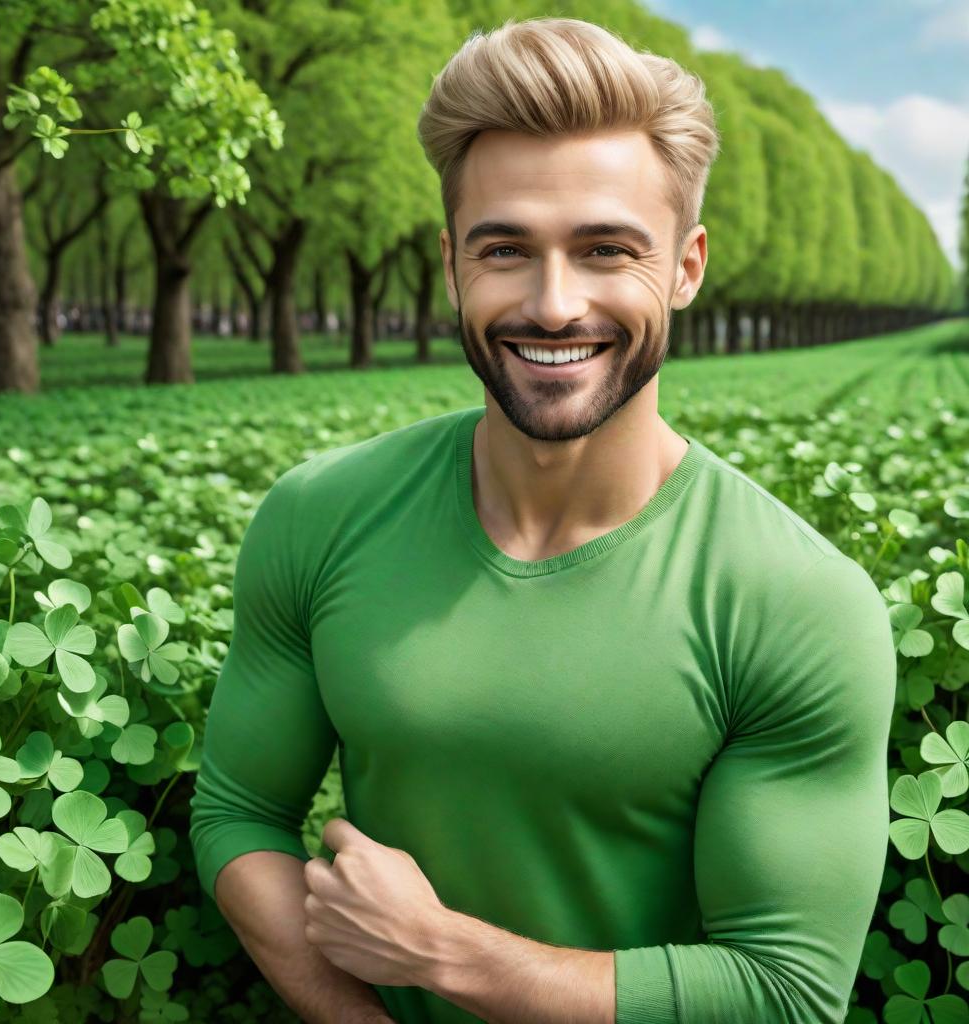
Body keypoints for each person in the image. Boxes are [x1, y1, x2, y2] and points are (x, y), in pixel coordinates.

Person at [189, 16, 896, 1024]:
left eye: (606, 249)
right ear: (451, 266)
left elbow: (784, 993)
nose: (553, 303)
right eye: (505, 249)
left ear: (686, 267)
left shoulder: (800, 602)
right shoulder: (318, 516)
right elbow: (237, 814)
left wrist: (444, 953)